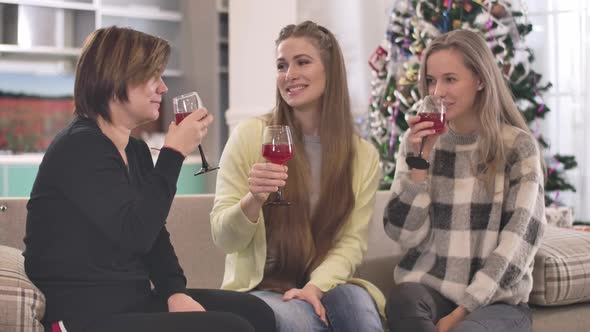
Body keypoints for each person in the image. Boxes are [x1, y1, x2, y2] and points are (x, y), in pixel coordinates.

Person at [24, 26, 276, 332]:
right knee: (232, 328)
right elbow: (135, 233)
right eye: (153, 76)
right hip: (81, 316)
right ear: (116, 77)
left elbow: (154, 234)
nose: (163, 88)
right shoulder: (79, 147)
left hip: (132, 302)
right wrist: (173, 154)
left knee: (256, 313)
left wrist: (175, 292)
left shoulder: (136, 149)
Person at [210, 21, 385, 332]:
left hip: (327, 282)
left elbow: (350, 243)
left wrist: (314, 289)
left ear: (330, 72)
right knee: (300, 321)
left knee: (360, 311)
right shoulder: (250, 136)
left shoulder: (363, 156)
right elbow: (225, 238)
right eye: (281, 65)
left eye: (302, 62)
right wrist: (253, 200)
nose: (289, 75)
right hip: (262, 287)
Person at [383, 29, 546, 332]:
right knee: (403, 300)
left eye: (450, 79)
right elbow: (404, 235)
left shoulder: (517, 147)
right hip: (429, 291)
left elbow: (517, 245)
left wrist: (461, 313)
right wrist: (420, 162)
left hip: (496, 301)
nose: (438, 92)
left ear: (480, 80)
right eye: (431, 81)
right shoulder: (418, 142)